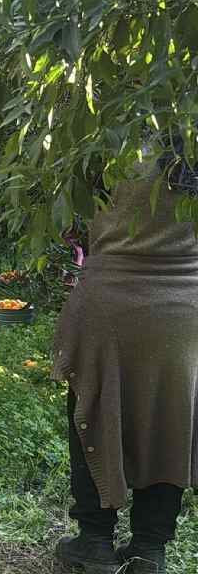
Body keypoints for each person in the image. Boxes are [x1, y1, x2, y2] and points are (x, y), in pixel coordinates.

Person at [52, 141, 198, 574]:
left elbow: (69, 208)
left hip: (110, 302)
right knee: (172, 424)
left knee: (94, 409)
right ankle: (149, 548)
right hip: (184, 308)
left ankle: (94, 541)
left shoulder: (113, 136)